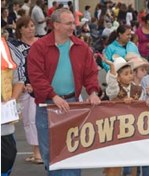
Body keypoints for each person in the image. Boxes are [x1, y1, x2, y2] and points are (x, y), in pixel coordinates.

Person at [27, 9, 101, 175]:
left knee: (73, 152)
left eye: (73, 23)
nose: (72, 26)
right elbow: (36, 77)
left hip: (72, 105)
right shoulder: (39, 47)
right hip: (47, 107)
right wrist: (53, 96)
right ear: (56, 25)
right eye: (68, 23)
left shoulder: (81, 47)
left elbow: (91, 73)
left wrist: (93, 92)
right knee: (50, 155)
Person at [7, 16, 42, 165]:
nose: (31, 29)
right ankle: (36, 151)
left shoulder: (41, 43)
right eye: (27, 26)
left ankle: (38, 152)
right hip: (22, 87)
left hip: (39, 86)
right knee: (27, 120)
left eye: (32, 25)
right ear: (20, 29)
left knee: (35, 119)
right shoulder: (14, 46)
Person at [1, 36, 22, 176]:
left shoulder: (6, 48)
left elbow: (19, 80)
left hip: (3, 115)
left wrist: (11, 102)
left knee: (8, 155)